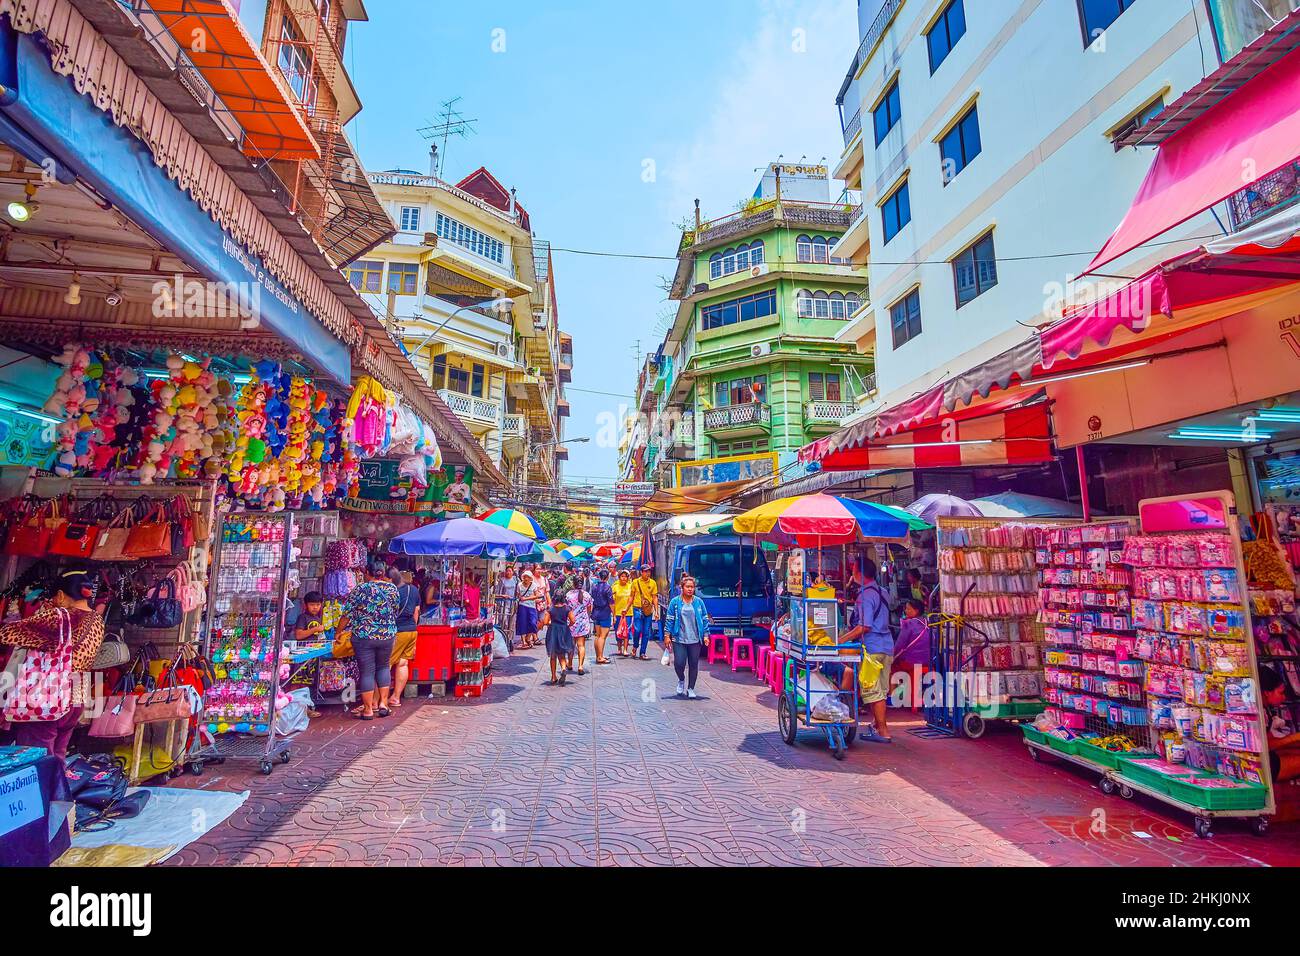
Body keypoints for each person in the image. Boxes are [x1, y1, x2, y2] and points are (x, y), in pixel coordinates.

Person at [0, 568, 106, 760]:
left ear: (60, 595)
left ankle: (43, 789)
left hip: (50, 692)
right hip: (77, 694)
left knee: (36, 757)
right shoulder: (97, 620)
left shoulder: (59, 618)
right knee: (58, 754)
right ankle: (57, 789)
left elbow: (8, 633)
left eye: (56, 598)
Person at [338, 559, 401, 720]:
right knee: (383, 667)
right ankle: (383, 704)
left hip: (364, 636)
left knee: (367, 671)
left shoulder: (360, 589)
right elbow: (395, 610)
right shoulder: (392, 589)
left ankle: (368, 710)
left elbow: (347, 614)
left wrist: (338, 632)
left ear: (367, 573)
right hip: (387, 635)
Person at [840, 558, 894, 742]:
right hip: (887, 647)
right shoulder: (884, 592)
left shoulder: (865, 596)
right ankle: (876, 726)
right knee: (882, 690)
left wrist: (841, 640)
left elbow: (865, 626)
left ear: (860, 573)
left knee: (873, 691)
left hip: (872, 649)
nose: (851, 573)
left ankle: (884, 732)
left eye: (853, 569)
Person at [663, 575, 711, 698]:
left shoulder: (699, 602)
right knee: (679, 663)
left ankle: (691, 688)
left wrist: (706, 635)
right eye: (687, 587)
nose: (690, 589)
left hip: (695, 639)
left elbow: (705, 619)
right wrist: (667, 635)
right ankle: (681, 680)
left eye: (692, 587)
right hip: (679, 638)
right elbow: (669, 619)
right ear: (682, 588)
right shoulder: (675, 602)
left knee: (694, 664)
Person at [388, 568, 420, 708]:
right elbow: (416, 611)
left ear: (389, 580)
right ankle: (396, 697)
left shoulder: (392, 592)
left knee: (385, 665)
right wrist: (414, 626)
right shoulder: (413, 590)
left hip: (398, 631)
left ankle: (378, 701)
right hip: (411, 630)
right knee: (403, 663)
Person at [1262, 668, 1300, 782]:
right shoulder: (1261, 712)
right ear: (1267, 693)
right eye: (1281, 692)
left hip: (1267, 757)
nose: (1284, 697)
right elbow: (1267, 745)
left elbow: (1271, 742)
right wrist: (1294, 737)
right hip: (1264, 765)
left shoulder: (1265, 710)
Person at [891, 599, 929, 711]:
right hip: (927, 662)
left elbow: (899, 645)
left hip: (911, 663)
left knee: (890, 668)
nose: (905, 611)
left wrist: (892, 656)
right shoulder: (928, 623)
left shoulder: (908, 624)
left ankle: (893, 698)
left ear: (916, 610)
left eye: (908, 608)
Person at [542, 584, 575, 686]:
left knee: (553, 655)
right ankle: (564, 668)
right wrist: (567, 625)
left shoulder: (550, 609)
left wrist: (551, 623)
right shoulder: (567, 608)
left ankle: (553, 677)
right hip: (564, 630)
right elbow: (573, 620)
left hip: (553, 632)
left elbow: (545, 622)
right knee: (561, 654)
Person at [630, 566, 660, 660]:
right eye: (646, 571)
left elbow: (654, 597)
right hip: (637, 608)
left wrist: (656, 611)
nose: (648, 573)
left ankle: (642, 652)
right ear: (641, 572)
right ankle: (635, 646)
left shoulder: (653, 583)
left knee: (646, 632)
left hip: (648, 610)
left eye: (649, 572)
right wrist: (626, 608)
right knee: (637, 630)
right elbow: (631, 596)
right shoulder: (635, 582)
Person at [566, 579, 594, 675]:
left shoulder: (569, 595)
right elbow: (589, 609)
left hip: (571, 622)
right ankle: (580, 666)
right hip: (582, 622)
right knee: (581, 645)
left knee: (571, 645)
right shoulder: (587, 595)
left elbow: (566, 608)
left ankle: (569, 664)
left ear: (573, 583)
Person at [589, 569, 614, 664]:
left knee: (598, 636)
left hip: (596, 613)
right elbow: (611, 602)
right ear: (607, 577)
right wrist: (614, 614)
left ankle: (599, 656)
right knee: (602, 636)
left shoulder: (594, 587)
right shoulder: (608, 587)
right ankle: (600, 657)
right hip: (605, 613)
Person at [516, 570, 545, 649]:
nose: (525, 579)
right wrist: (520, 599)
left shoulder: (534, 585)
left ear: (530, 578)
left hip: (531, 606)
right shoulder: (519, 585)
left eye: (527, 577)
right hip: (522, 606)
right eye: (524, 577)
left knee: (532, 623)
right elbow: (518, 595)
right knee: (522, 623)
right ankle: (523, 641)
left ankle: (528, 638)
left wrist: (526, 598)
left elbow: (537, 596)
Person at [612, 569, 634, 657]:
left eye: (626, 576)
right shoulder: (615, 587)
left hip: (628, 613)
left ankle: (625, 649)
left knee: (627, 631)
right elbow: (612, 602)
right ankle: (619, 648)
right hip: (617, 613)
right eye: (622, 576)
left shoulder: (631, 586)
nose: (624, 578)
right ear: (619, 577)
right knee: (618, 631)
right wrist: (613, 615)